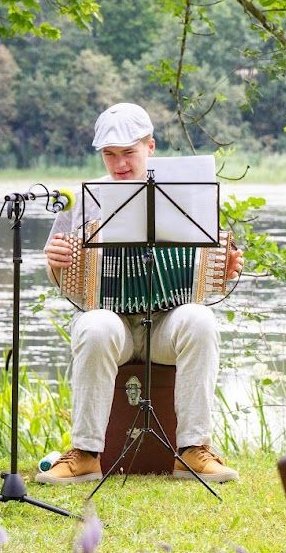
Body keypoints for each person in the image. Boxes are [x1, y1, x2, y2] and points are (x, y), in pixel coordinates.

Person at [35, 103, 244, 485]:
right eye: (109, 154)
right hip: (114, 325)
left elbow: (210, 270)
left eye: (128, 152)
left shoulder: (189, 195)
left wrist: (224, 269)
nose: (119, 164)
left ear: (150, 146)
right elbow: (62, 282)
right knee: (94, 326)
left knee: (201, 320)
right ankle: (85, 454)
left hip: (167, 324)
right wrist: (56, 262)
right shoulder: (84, 199)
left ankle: (193, 450)